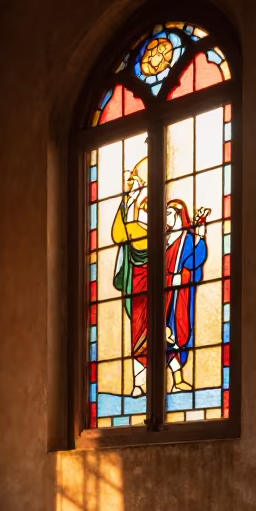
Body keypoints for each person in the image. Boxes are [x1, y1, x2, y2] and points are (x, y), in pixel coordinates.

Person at [112, 157, 148, 398]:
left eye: (134, 181)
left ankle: (167, 382)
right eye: (130, 181)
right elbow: (118, 234)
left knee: (163, 329)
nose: (131, 185)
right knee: (138, 330)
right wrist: (126, 203)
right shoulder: (130, 213)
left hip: (160, 279)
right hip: (137, 278)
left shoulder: (154, 207)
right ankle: (139, 383)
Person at [165, 199, 210, 392]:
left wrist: (200, 238)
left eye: (168, 213)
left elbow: (195, 262)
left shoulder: (187, 238)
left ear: (178, 215)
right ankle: (172, 380)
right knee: (165, 336)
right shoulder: (164, 241)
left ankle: (177, 381)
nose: (165, 217)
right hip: (165, 297)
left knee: (179, 333)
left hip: (180, 296)